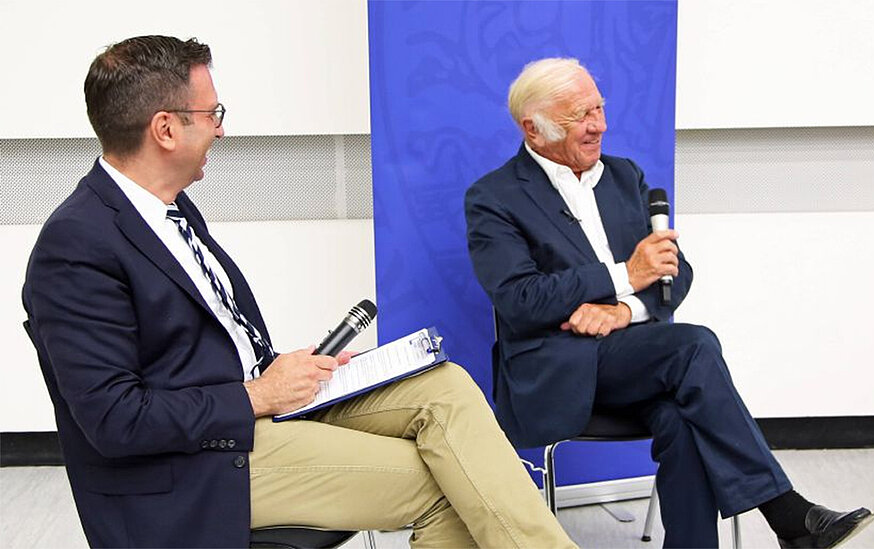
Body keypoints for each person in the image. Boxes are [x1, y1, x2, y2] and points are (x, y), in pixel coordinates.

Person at [22, 35, 575, 549]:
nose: (221, 130)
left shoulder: (170, 209)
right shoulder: (76, 246)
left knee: (445, 385)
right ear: (165, 129)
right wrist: (258, 395)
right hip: (191, 468)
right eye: (212, 114)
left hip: (251, 415)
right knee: (446, 482)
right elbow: (116, 420)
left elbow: (202, 343)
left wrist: (283, 372)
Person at [464, 57, 874, 549]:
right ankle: (786, 512)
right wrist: (626, 274)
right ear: (533, 128)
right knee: (694, 345)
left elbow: (675, 275)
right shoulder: (494, 198)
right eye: (580, 116)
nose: (599, 125)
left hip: (639, 359)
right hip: (558, 368)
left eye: (599, 108)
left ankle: (762, 527)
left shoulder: (624, 177)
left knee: (683, 417)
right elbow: (520, 300)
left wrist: (624, 310)